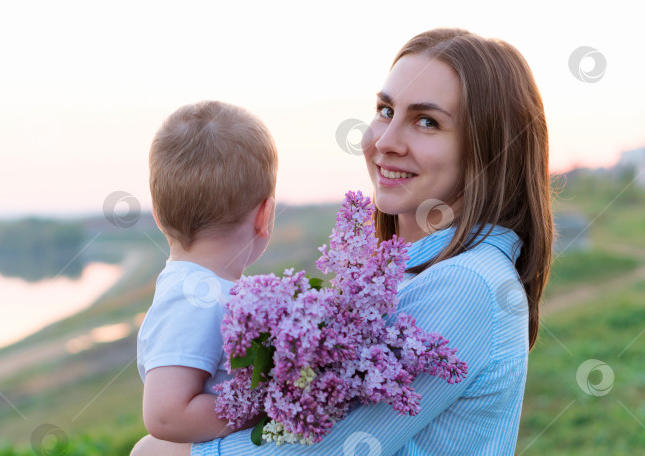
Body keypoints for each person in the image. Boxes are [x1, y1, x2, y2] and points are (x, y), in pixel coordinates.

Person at [135, 27, 555, 455]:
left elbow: (328, 448)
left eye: (427, 121)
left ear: (488, 151)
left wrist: (163, 450)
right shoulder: (410, 273)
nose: (386, 142)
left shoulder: (468, 284)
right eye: (385, 110)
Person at [132, 100, 279, 449]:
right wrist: (267, 407)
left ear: (157, 214)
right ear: (265, 216)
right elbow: (165, 414)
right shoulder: (193, 297)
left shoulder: (211, 291)